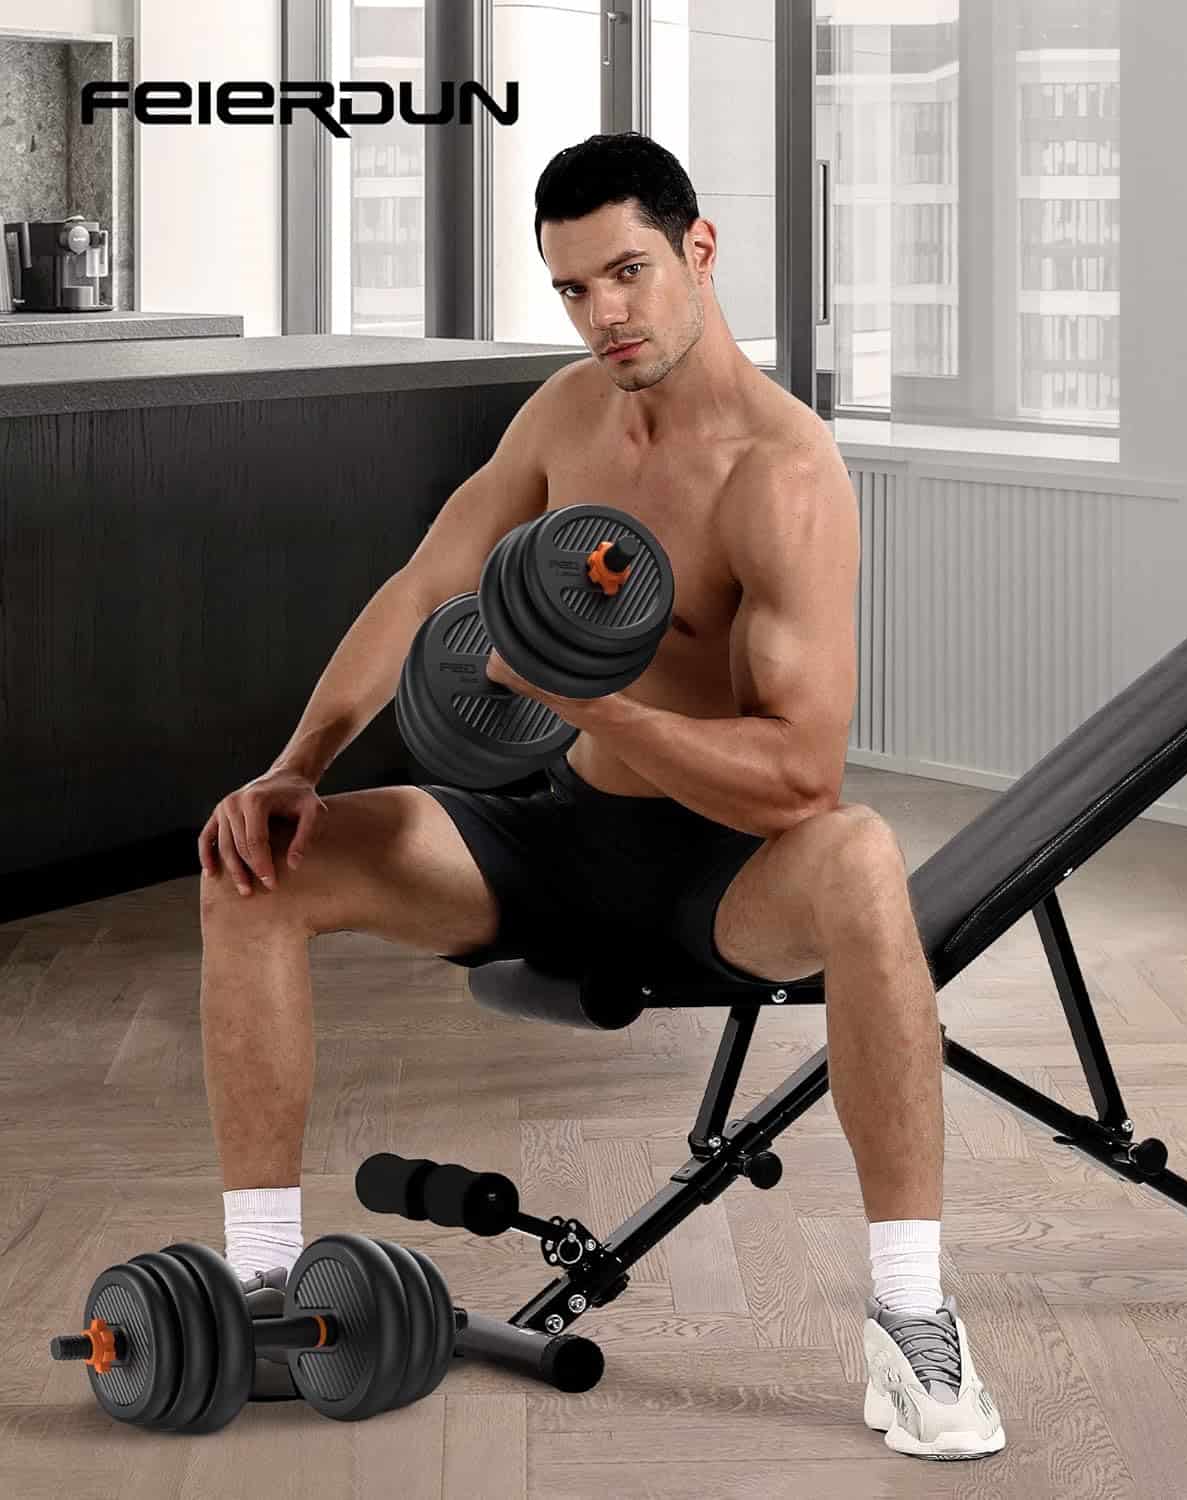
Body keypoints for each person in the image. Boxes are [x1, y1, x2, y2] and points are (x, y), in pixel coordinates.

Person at [198, 132, 1004, 1460]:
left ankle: (912, 1324)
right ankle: (264, 1293)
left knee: (859, 854)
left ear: (699, 249)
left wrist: (586, 698)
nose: (604, 314)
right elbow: (421, 592)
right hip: (558, 834)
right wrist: (296, 765)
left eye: (626, 272)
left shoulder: (783, 474)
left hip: (723, 873)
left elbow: (802, 769)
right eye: (573, 289)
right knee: (257, 861)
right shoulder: (567, 415)